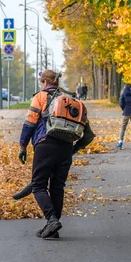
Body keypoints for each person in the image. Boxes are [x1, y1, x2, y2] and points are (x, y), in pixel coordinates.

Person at [16, 70, 95, 239]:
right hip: (65, 148)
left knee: (38, 186)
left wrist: (22, 146)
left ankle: (51, 220)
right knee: (57, 188)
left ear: (44, 82)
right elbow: (88, 135)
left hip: (45, 146)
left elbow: (29, 123)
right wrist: (72, 150)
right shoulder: (73, 101)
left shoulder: (41, 97)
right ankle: (52, 228)